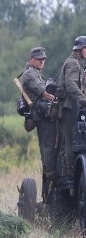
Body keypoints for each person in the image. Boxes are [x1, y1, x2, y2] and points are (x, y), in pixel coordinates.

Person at [19, 47, 57, 203]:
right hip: (42, 117)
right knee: (49, 157)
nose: (42, 61)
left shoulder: (35, 73)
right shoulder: (29, 74)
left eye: (44, 59)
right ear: (31, 59)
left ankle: (50, 194)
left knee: (52, 154)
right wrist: (57, 99)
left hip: (45, 116)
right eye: (39, 59)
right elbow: (43, 93)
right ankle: (49, 197)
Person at [56, 35, 86, 188]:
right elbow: (71, 84)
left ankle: (70, 174)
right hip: (69, 107)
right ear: (78, 49)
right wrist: (82, 98)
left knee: (71, 142)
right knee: (70, 142)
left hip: (72, 106)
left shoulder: (78, 63)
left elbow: (80, 85)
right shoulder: (73, 63)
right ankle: (69, 175)